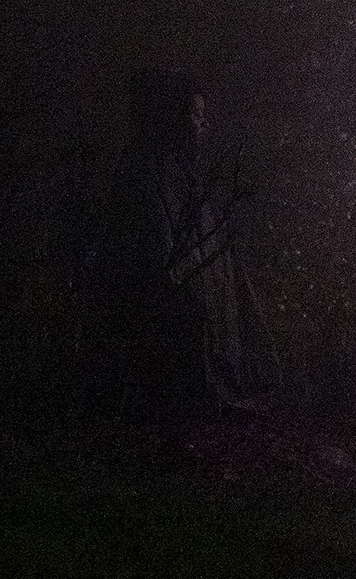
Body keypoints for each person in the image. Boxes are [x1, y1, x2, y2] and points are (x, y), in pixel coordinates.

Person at [90, 68, 264, 421]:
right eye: (195, 115)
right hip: (158, 305)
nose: (204, 125)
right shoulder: (145, 171)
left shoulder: (183, 172)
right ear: (172, 119)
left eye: (204, 116)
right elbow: (152, 249)